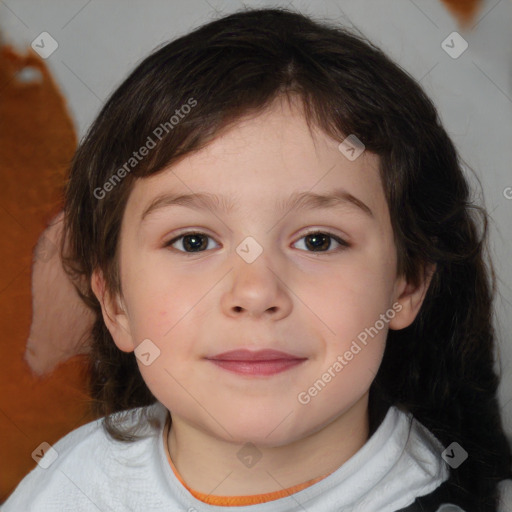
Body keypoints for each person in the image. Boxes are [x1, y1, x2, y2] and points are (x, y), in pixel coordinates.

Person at [3, 7, 512, 512]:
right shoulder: (68, 483)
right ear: (114, 301)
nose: (254, 293)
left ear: (406, 285)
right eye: (193, 242)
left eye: (318, 241)